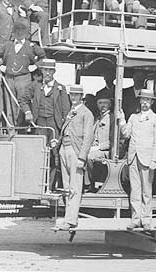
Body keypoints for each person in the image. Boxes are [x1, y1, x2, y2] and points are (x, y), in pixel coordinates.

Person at [20, 58, 70, 191]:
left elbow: (66, 110)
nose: (47, 73)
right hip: (39, 123)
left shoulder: (61, 88)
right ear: (41, 71)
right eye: (45, 70)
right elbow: (23, 99)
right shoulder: (35, 86)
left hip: (54, 124)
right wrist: (28, 112)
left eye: (50, 70)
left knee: (54, 154)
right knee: (39, 153)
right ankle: (38, 185)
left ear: (54, 72)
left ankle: (50, 186)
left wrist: (63, 128)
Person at [120, 89, 156, 230]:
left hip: (147, 159)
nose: (145, 102)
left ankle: (146, 220)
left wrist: (155, 160)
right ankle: (135, 219)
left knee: (146, 190)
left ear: (151, 102)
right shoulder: (133, 117)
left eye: (148, 100)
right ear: (140, 101)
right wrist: (122, 120)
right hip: (133, 157)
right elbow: (126, 134)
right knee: (135, 190)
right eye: (143, 99)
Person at [0, 18, 46, 125]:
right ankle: (11, 129)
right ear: (14, 31)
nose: (20, 32)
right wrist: (0, 66)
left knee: (23, 103)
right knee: (9, 104)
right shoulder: (7, 45)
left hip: (24, 79)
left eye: (22, 29)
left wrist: (34, 66)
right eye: (17, 29)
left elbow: (43, 57)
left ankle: (22, 128)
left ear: (26, 32)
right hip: (9, 79)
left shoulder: (31, 46)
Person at [55, 85, 95, 230]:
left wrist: (82, 158)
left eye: (76, 95)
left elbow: (88, 137)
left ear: (81, 97)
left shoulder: (86, 113)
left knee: (75, 188)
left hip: (75, 151)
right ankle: (67, 218)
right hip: (64, 149)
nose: (73, 97)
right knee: (67, 188)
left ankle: (71, 220)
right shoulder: (71, 111)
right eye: (71, 95)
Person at [86, 92, 116, 192]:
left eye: (105, 103)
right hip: (95, 148)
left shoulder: (112, 118)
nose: (103, 105)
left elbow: (114, 141)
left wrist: (98, 147)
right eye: (100, 103)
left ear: (110, 104)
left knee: (89, 156)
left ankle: (92, 184)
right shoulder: (98, 118)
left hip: (107, 151)